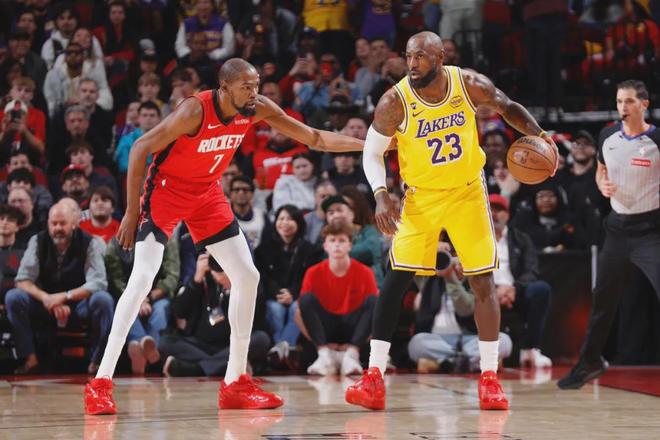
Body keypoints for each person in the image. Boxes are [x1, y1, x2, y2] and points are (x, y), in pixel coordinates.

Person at [83, 58, 363, 415]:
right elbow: (140, 149)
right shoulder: (194, 111)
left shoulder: (256, 108)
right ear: (224, 88)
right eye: (247, 87)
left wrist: (369, 145)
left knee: (247, 276)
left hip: (207, 195)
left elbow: (315, 138)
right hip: (166, 193)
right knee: (141, 280)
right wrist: (131, 212)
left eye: (256, 85)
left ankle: (235, 382)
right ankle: (101, 384)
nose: (254, 92)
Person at [330, 31, 557, 411]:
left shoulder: (468, 84)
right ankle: (373, 377)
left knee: (482, 280)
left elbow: (507, 106)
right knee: (396, 280)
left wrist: (541, 136)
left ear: (440, 57)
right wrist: (381, 194)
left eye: (420, 56)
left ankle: (489, 378)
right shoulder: (394, 101)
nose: (412, 64)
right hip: (421, 197)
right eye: (408, 56)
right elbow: (372, 153)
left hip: (468, 193)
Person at [558, 80, 660, 389]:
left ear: (644, 104)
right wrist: (602, 184)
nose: (622, 107)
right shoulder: (607, 136)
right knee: (602, 300)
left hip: (650, 230)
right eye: (619, 101)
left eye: (629, 101)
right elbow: (601, 169)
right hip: (616, 229)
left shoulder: (656, 140)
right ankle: (589, 362)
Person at [5, 201, 113, 375]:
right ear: (48, 223)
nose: (58, 228)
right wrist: (47, 299)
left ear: (74, 224)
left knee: (103, 300)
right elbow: (23, 279)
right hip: (45, 303)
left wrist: (65, 296)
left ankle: (98, 361)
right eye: (54, 224)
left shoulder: (90, 242)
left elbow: (98, 282)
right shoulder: (37, 241)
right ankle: (30, 359)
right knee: (14, 297)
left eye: (63, 223)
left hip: (78, 304)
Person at [297, 222, 378, 376]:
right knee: (306, 299)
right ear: (325, 246)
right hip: (326, 329)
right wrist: (320, 344)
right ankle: (324, 355)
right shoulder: (313, 272)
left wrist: (359, 343)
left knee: (374, 301)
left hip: (353, 328)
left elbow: (376, 314)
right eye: (332, 240)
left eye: (341, 240)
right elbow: (299, 314)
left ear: (350, 245)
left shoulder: (366, 272)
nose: (337, 245)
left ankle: (352, 355)